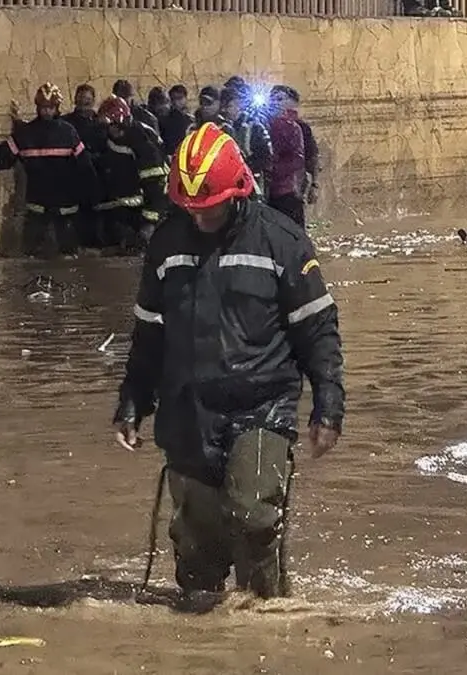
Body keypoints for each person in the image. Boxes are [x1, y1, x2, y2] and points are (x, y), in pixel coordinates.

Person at [113, 122, 344, 600]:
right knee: (196, 547)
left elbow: (317, 330)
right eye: (192, 208)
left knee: (253, 516)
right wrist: (133, 400)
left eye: (210, 208)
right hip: (187, 409)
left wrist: (328, 404)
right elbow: (148, 333)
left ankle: (264, 619)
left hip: (262, 407)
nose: (201, 218)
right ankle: (208, 639)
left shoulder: (281, 242)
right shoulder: (166, 245)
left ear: (239, 190)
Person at [0, 83, 95, 257]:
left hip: (65, 211)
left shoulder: (68, 133)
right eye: (43, 108)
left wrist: (91, 198)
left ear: (57, 108)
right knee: (32, 258)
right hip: (37, 209)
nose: (46, 112)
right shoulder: (27, 133)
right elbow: (3, 154)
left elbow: (85, 167)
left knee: (68, 258)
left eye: (50, 108)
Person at [94, 96, 169, 252]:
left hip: (142, 212)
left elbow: (155, 184)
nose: (110, 130)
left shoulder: (142, 141)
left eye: (112, 126)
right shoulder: (112, 139)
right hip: (121, 211)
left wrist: (149, 223)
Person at [62, 84, 109, 248]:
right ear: (75, 99)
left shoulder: (101, 122)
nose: (84, 104)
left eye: (88, 100)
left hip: (98, 177)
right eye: (81, 99)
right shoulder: (66, 123)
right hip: (74, 177)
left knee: (97, 216)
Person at [220, 86, 273, 197]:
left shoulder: (254, 126)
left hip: (252, 183)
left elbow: (266, 155)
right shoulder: (221, 127)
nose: (225, 111)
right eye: (223, 107)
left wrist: (247, 166)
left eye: (229, 106)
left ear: (239, 105)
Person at [266, 86, 308, 227]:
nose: (275, 103)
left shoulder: (295, 128)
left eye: (279, 99)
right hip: (268, 192)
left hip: (287, 191)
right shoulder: (261, 124)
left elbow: (299, 159)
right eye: (272, 99)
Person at [159, 84, 195, 159]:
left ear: (185, 98)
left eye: (179, 98)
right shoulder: (165, 120)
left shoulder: (191, 120)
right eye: (173, 99)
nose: (176, 102)